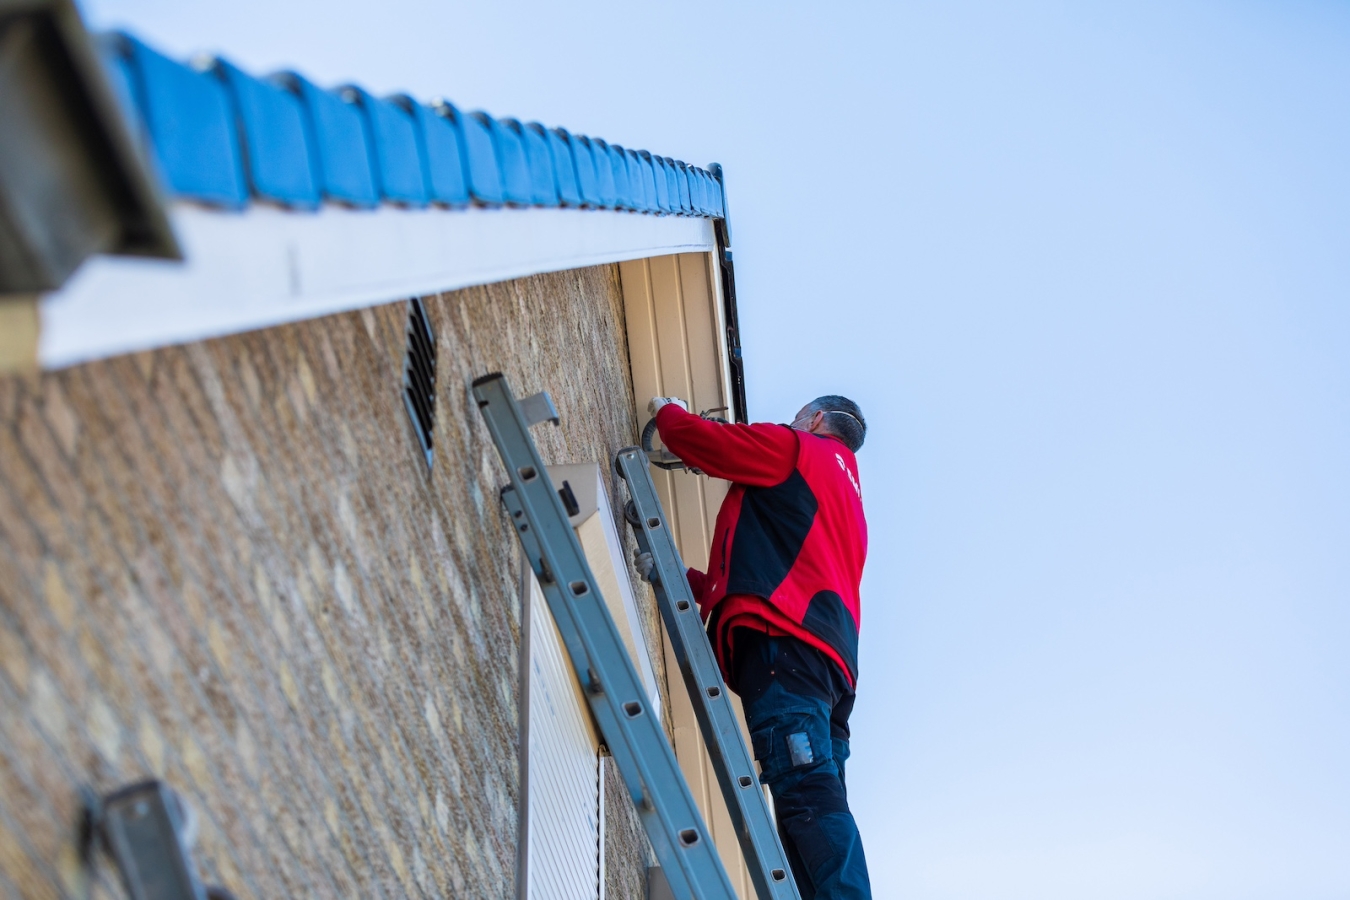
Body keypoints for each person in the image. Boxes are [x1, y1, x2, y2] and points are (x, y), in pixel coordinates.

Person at [638, 394, 871, 900]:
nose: (788, 422)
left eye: (796, 416)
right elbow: (776, 571)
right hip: (828, 673)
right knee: (812, 809)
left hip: (786, 651)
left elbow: (704, 443)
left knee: (806, 795)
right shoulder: (850, 504)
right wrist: (692, 583)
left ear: (814, 420)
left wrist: (669, 410)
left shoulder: (798, 450)